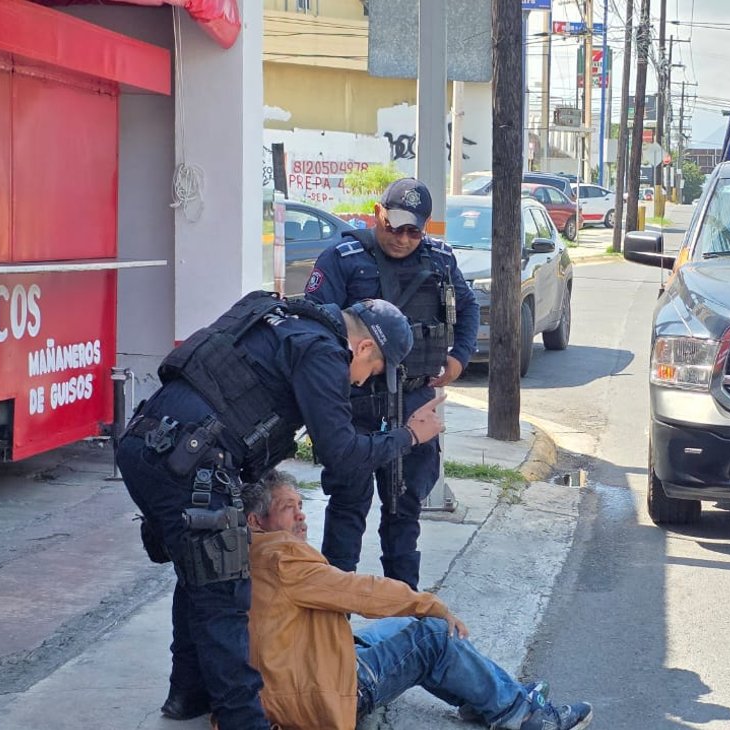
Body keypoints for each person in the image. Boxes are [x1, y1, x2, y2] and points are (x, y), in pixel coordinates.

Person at [117, 295, 444, 730]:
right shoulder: (326, 350)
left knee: (195, 573)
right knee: (223, 595)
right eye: (375, 372)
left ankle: (188, 694)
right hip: (189, 463)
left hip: (146, 445)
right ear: (364, 348)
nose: (364, 384)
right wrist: (409, 437)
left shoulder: (279, 314)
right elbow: (341, 454)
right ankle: (242, 721)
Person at [240, 470, 594, 730]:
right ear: (257, 521)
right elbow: (360, 591)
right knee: (433, 636)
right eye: (289, 508)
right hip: (315, 695)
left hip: (295, 680)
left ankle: (488, 697)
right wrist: (428, 603)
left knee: (405, 626)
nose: (301, 514)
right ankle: (526, 716)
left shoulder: (251, 555)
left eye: (301, 505)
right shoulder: (281, 559)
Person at [303, 178, 480, 588]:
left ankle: (404, 609)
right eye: (393, 226)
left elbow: (468, 308)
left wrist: (459, 357)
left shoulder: (440, 259)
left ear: (426, 227)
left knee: (405, 509)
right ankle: (334, 617)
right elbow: (314, 326)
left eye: (412, 231)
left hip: (414, 397)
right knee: (348, 507)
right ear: (377, 214)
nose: (401, 238)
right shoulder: (343, 259)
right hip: (356, 402)